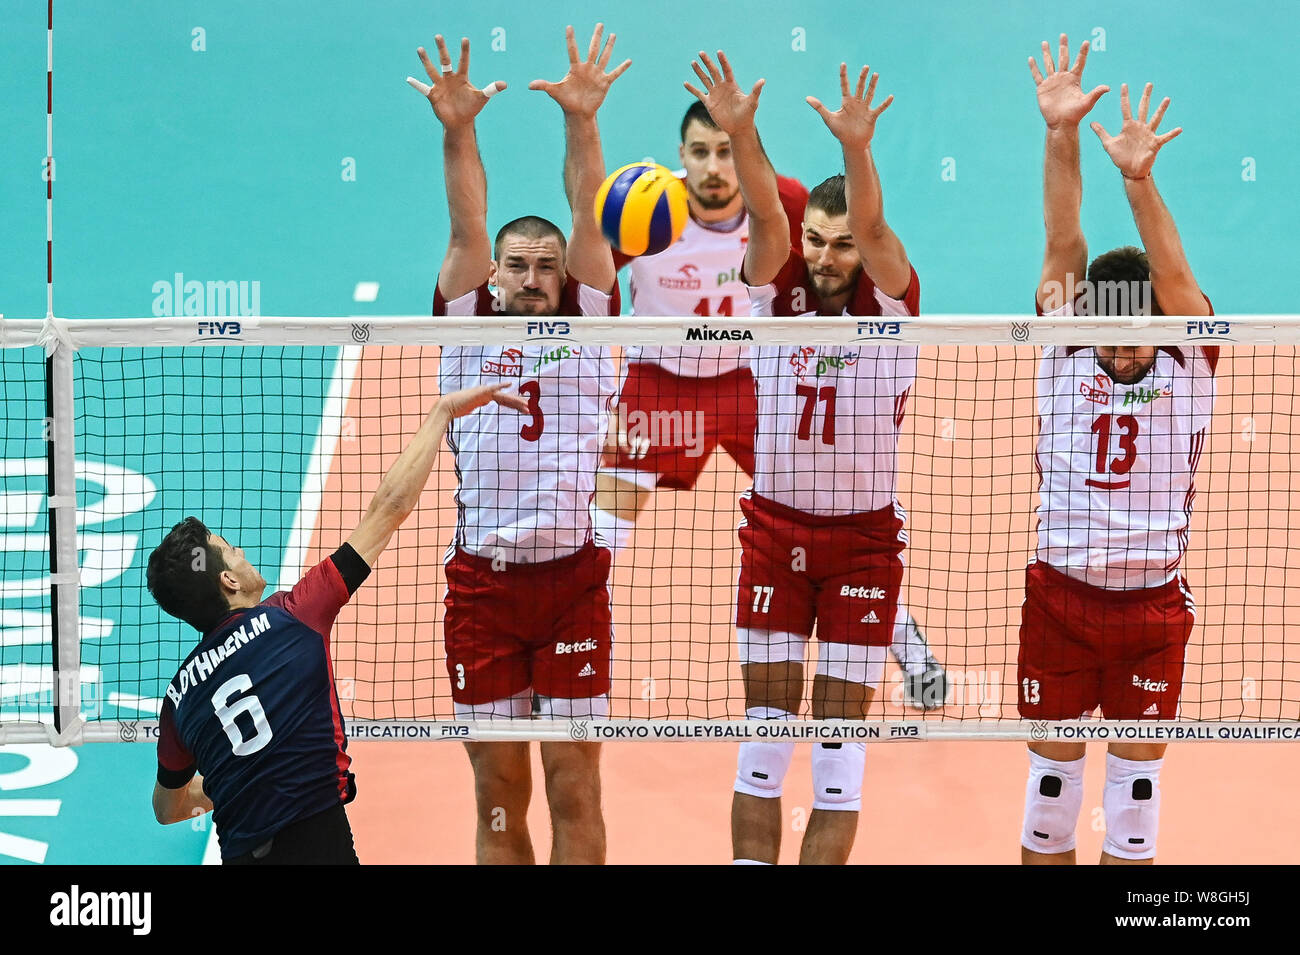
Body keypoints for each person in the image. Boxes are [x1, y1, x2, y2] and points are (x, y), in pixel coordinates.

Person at [593, 101, 947, 709]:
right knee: (602, 526)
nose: (713, 166)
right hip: (660, 381)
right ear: (681, 157)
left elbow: (830, 224)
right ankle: (575, 648)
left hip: (749, 384)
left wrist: (748, 131)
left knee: (821, 504)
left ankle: (906, 645)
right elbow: (590, 264)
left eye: (726, 151)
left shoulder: (783, 203)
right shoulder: (649, 208)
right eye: (700, 151)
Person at [687, 50, 921, 864]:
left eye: (843, 245)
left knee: (837, 763)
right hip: (774, 537)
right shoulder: (771, 290)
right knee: (762, 746)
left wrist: (858, 150)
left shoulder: (891, 301)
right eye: (818, 242)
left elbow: (881, 232)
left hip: (862, 541)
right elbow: (767, 217)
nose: (826, 258)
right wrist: (743, 133)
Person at [147, 382, 527, 864]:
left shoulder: (178, 697)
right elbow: (388, 509)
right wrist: (442, 413)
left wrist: (225, 783)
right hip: (320, 845)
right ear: (227, 580)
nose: (242, 552)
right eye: (231, 549)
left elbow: (165, 808)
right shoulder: (295, 615)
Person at [410, 24, 627, 864]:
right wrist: (457, 129)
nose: (532, 275)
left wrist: (582, 120)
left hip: (573, 582)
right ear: (494, 276)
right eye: (517, 265)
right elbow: (466, 226)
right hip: (483, 592)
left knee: (576, 783)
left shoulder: (591, 321)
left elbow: (586, 209)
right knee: (499, 793)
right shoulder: (465, 326)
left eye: (545, 265)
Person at [1019, 34, 1215, 865]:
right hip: (1060, 600)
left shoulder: (1189, 361)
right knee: (1051, 803)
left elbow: (1173, 276)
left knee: (1133, 811)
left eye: (1141, 330)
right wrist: (1062, 135)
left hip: (1149, 611)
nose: (1124, 344)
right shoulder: (1064, 349)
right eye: (1112, 326)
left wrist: (1138, 181)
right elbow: (1064, 241)